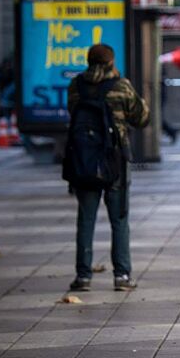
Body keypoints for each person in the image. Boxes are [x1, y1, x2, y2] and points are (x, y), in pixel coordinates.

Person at [67, 44, 150, 291]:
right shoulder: (121, 86)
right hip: (115, 160)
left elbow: (72, 113)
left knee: (86, 218)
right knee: (119, 219)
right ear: (111, 62)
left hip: (83, 160)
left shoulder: (76, 86)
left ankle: (83, 276)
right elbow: (142, 118)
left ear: (89, 61)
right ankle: (121, 275)